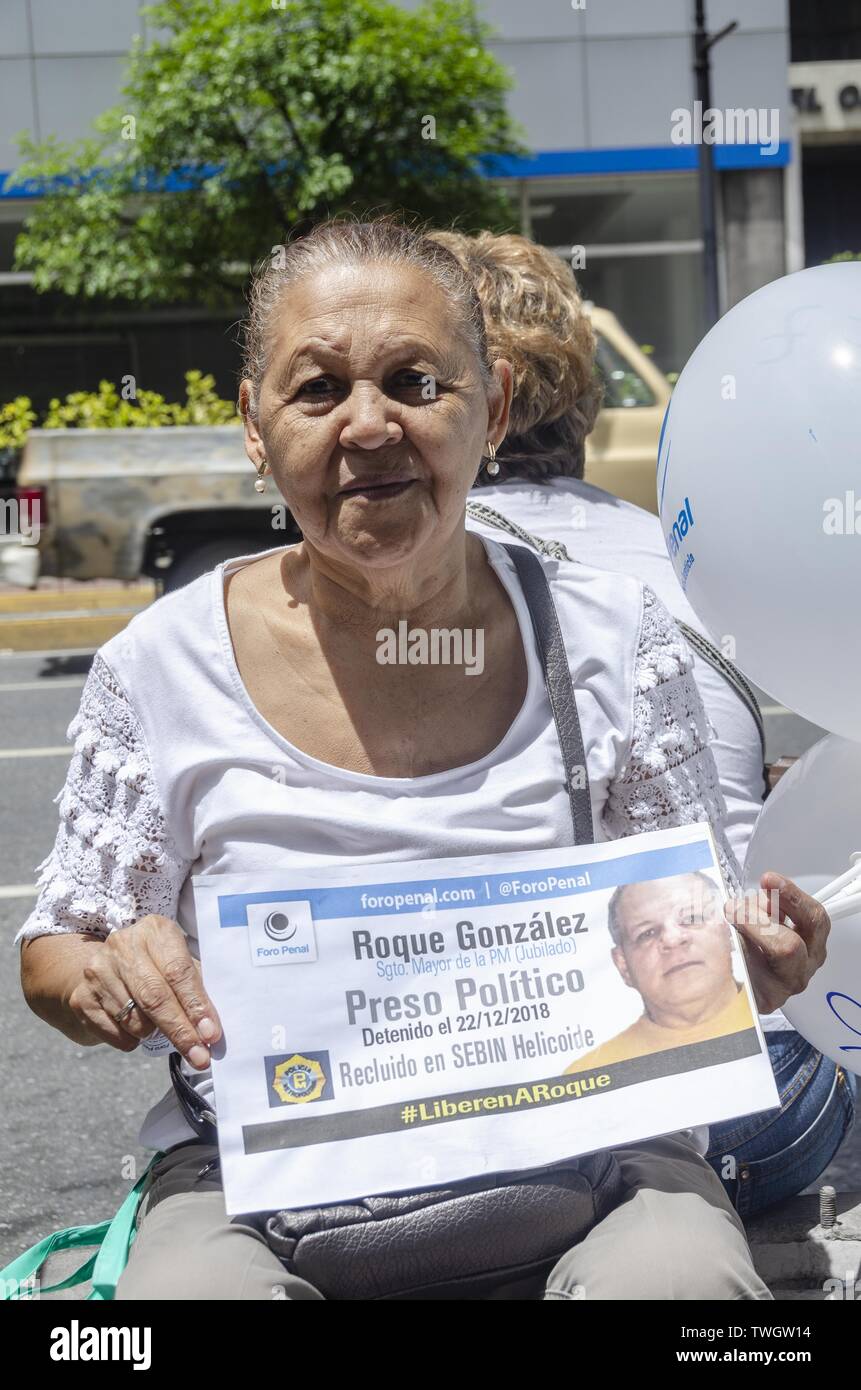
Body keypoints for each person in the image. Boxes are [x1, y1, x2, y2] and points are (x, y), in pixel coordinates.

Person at [16, 219, 828, 1301]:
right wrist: (110, 971)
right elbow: (54, 954)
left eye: (414, 380)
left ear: (489, 410)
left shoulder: (611, 636)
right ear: (254, 430)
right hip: (258, 1185)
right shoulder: (158, 668)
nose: (368, 425)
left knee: (681, 1288)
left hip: (586, 1161)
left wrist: (751, 958)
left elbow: (696, 924)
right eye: (316, 391)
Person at [430, 227, 855, 1217]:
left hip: (531, 1091)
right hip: (767, 1095)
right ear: (583, 400)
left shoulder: (404, 583)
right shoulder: (689, 553)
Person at [565, 872, 755, 1073]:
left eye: (692, 918)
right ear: (622, 964)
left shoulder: (775, 1019)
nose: (673, 939)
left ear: (728, 930)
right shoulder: (589, 1073)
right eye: (647, 933)